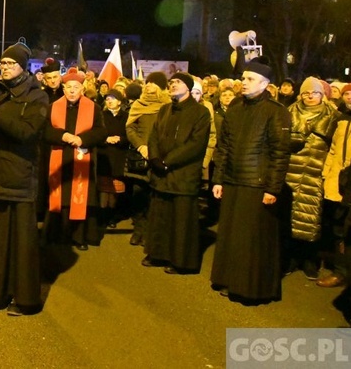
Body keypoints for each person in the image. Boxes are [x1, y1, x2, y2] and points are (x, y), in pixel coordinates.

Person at [0, 42, 49, 316]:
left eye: (10, 64)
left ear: (22, 66)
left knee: (22, 243)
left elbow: (26, 132)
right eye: (2, 63)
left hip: (19, 176)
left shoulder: (37, 96)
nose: (4, 68)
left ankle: (25, 298)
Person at [211, 58, 291, 303]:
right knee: (231, 236)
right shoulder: (235, 109)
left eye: (249, 79)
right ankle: (228, 279)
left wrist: (272, 187)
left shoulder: (276, 112)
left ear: (265, 84)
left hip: (257, 185)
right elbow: (223, 148)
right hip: (233, 181)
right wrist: (218, 179)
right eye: (243, 78)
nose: (243, 83)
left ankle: (249, 288)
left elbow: (280, 153)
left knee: (251, 240)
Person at [143, 73, 210, 274]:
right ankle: (157, 254)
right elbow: (153, 136)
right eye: (170, 82)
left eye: (177, 82)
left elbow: (195, 144)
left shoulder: (200, 113)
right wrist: (154, 159)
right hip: (161, 174)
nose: (172, 85)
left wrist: (168, 161)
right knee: (160, 216)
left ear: (189, 87)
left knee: (180, 220)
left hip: (183, 175)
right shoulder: (164, 110)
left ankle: (179, 260)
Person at [43, 68, 107, 250]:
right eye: (68, 87)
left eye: (76, 87)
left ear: (82, 88)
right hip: (59, 157)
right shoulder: (53, 107)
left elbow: (101, 132)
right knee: (60, 198)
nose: (72, 90)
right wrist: (62, 136)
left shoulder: (93, 107)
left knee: (81, 198)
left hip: (82, 157)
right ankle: (58, 235)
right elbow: (44, 130)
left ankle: (79, 237)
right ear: (63, 89)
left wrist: (82, 139)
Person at [283, 77, 340, 280]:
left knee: (311, 218)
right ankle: (290, 257)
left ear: (321, 94)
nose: (309, 96)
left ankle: (309, 260)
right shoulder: (290, 111)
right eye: (306, 93)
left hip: (315, 173)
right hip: (290, 171)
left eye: (314, 93)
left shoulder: (333, 116)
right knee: (289, 216)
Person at [125, 71, 170, 246]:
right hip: (140, 156)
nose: (150, 86)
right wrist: (141, 146)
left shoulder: (167, 105)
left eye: (154, 83)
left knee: (155, 197)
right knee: (138, 195)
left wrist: (158, 150)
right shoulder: (138, 105)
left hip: (159, 157)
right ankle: (138, 229)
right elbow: (130, 128)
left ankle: (151, 232)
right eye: (148, 82)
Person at [318, 83, 351, 287]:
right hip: (337, 181)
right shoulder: (341, 119)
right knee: (338, 228)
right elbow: (333, 150)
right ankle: (341, 271)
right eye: (347, 94)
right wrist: (326, 174)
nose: (349, 97)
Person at [96, 88, 129, 231]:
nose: (109, 101)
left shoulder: (126, 116)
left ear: (120, 102)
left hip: (119, 156)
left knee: (114, 190)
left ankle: (112, 216)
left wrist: (121, 139)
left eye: (113, 99)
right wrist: (105, 139)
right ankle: (103, 216)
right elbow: (96, 133)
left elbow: (130, 135)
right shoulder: (101, 116)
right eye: (107, 99)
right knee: (104, 189)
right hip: (104, 155)